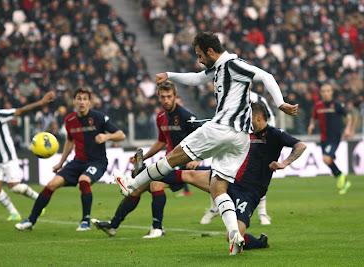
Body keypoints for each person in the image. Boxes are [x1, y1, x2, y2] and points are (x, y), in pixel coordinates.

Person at [114, 32, 298, 255]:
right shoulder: (218, 68)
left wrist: (280, 103)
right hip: (239, 140)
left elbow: (266, 76)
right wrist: (169, 74)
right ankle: (235, 235)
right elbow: (197, 78)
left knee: (175, 155)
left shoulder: (233, 65)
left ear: (210, 51)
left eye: (200, 55)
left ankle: (132, 183)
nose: (199, 59)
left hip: (223, 128)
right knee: (217, 186)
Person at [95, 102, 306, 252]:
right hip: (227, 178)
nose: (249, 122)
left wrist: (284, 163)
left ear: (262, 118)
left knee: (232, 237)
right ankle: (141, 173)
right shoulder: (243, 132)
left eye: (253, 119)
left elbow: (300, 145)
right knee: (186, 174)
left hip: (250, 192)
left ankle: (258, 243)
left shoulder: (275, 134)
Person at [94, 81, 202, 238]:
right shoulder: (160, 118)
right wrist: (142, 157)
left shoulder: (186, 116)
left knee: (155, 184)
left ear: (175, 96)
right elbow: (161, 142)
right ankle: (113, 226)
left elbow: (203, 137)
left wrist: (197, 158)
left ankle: (157, 228)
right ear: (158, 96)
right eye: (163, 96)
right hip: (168, 163)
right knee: (137, 189)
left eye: (169, 96)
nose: (166, 100)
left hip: (183, 165)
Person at [15, 88, 125, 231]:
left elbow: (121, 135)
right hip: (77, 162)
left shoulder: (98, 117)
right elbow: (69, 141)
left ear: (90, 102)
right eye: (79, 98)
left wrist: (107, 137)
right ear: (74, 101)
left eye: (85, 99)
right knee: (51, 185)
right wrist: (60, 163)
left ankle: (85, 221)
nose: (82, 102)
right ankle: (31, 220)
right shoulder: (70, 120)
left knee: (83, 181)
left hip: (97, 162)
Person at [0, 92, 55, 221]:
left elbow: (20, 110)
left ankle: (39, 199)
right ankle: (14, 213)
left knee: (15, 187)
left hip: (9, 158)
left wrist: (41, 102)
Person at [200, 91, 275, 226]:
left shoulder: (258, 98)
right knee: (218, 173)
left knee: (256, 176)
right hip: (233, 141)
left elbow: (269, 119)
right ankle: (215, 207)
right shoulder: (228, 96)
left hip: (254, 141)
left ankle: (262, 213)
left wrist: (267, 138)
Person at [307, 84, 352, 194]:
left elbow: (348, 116)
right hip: (324, 138)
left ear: (331, 92)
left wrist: (348, 129)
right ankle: (344, 182)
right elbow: (313, 118)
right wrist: (311, 125)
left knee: (326, 158)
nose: (326, 93)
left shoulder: (336, 105)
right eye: (323, 91)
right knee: (327, 160)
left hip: (334, 137)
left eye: (328, 91)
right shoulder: (318, 106)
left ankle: (340, 176)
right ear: (321, 93)